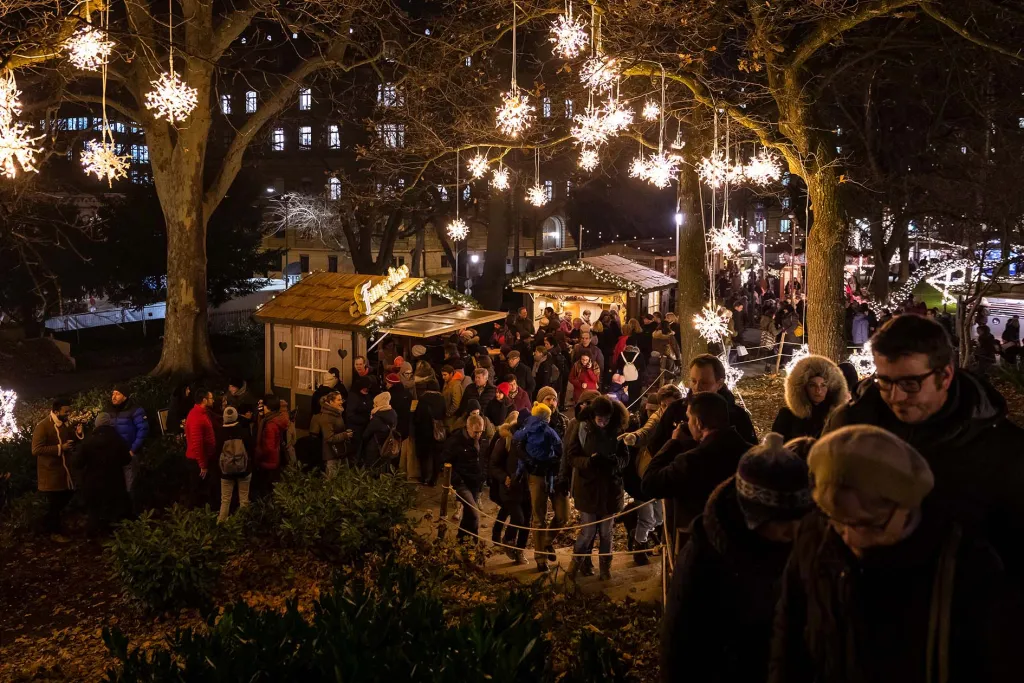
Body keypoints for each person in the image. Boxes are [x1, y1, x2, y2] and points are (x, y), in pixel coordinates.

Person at [769, 425, 1024, 683]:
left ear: (905, 505)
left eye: (868, 524)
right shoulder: (814, 532)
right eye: (837, 520)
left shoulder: (965, 567)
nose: (849, 537)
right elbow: (790, 627)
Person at [823, 314, 1024, 579]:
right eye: (885, 381)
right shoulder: (849, 426)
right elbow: (818, 521)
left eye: (910, 384)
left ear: (945, 376)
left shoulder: (1003, 450)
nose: (895, 398)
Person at [662, 433, 813, 683]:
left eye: (801, 518)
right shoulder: (704, 558)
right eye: (783, 522)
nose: (794, 529)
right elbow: (679, 649)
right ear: (753, 516)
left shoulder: (805, 540)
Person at [642, 391, 754, 549]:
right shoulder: (751, 455)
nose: (687, 423)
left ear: (699, 424)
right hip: (743, 546)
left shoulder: (692, 461)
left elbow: (649, 483)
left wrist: (673, 444)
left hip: (702, 548)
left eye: (689, 418)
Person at [566, 395, 629, 581]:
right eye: (600, 420)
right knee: (588, 532)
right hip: (588, 488)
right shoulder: (582, 428)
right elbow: (571, 456)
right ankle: (574, 566)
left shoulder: (618, 430)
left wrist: (614, 462)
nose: (603, 423)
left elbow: (625, 458)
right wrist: (588, 462)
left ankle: (605, 569)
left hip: (610, 488)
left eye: (606, 420)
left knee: (606, 532)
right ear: (593, 416)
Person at [70, 413, 132, 536]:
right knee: (113, 513)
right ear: (110, 423)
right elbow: (127, 460)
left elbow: (77, 463)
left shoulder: (89, 441)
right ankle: (114, 540)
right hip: (115, 482)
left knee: (94, 512)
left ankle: (93, 537)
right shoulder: (118, 439)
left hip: (93, 483)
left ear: (97, 424)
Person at [32, 398, 81, 541]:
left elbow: (69, 440)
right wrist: (60, 448)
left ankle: (47, 527)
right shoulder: (43, 426)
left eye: (69, 412)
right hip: (50, 473)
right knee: (55, 504)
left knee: (65, 497)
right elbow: (36, 449)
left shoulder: (64, 425)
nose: (68, 414)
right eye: (65, 412)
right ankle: (54, 532)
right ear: (55, 411)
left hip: (64, 472)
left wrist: (77, 434)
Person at [771, 355, 850, 441]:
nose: (818, 390)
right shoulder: (787, 415)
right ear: (803, 387)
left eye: (823, 385)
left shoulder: (837, 416)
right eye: (812, 385)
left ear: (830, 388)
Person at [489, 412, 531, 562]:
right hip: (510, 488)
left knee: (527, 522)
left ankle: (520, 550)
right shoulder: (505, 442)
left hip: (527, 489)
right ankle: (508, 539)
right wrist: (504, 477)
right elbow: (493, 464)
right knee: (518, 518)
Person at [443, 414, 490, 540]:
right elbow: (446, 463)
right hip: (462, 482)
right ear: (468, 428)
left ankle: (462, 538)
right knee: (474, 514)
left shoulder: (483, 439)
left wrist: (483, 475)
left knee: (469, 513)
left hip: (475, 481)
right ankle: (473, 542)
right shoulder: (455, 441)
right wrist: (456, 480)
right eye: (475, 432)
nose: (478, 435)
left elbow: (485, 459)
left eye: (481, 432)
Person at [102, 385, 149, 492]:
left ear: (125, 396)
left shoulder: (135, 410)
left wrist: (133, 449)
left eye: (117, 394)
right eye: (113, 394)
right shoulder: (109, 411)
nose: (113, 397)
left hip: (130, 453)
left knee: (131, 485)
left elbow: (143, 430)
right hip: (114, 454)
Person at [214, 406, 256, 522]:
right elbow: (251, 449)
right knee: (244, 499)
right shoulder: (243, 431)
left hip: (226, 472)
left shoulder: (220, 433)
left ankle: (221, 525)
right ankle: (244, 525)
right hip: (244, 469)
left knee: (225, 500)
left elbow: (216, 452)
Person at [185, 388, 217, 507]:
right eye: (211, 398)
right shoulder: (196, 416)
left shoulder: (202, 413)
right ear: (204, 400)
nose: (213, 400)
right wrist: (202, 465)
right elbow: (197, 443)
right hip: (197, 460)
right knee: (198, 490)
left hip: (204, 458)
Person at [413, 378, 447, 486]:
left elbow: (417, 417)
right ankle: (434, 479)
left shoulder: (423, 398)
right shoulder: (441, 398)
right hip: (437, 432)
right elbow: (443, 413)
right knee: (436, 456)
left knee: (424, 456)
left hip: (424, 431)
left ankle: (424, 477)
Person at [254, 393, 290, 498]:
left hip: (268, 462)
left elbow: (269, 447)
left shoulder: (270, 424)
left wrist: (258, 455)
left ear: (267, 407)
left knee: (266, 492)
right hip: (275, 461)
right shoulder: (276, 419)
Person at [309, 391, 352, 475]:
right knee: (332, 482)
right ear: (331, 402)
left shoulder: (337, 413)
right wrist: (345, 435)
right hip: (332, 454)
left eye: (341, 399)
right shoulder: (327, 417)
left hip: (340, 452)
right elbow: (329, 438)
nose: (341, 402)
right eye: (338, 400)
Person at [361, 391, 399, 468]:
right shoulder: (393, 413)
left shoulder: (377, 417)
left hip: (375, 448)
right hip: (388, 446)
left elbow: (366, 434)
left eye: (376, 403)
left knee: (373, 468)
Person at [385, 372, 413, 445]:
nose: (386, 384)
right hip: (406, 424)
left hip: (395, 425)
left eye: (387, 383)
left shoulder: (389, 395)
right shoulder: (407, 393)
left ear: (391, 384)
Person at [441, 364, 464, 429]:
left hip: (451, 418)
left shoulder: (455, 386)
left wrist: (448, 413)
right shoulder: (447, 382)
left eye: (445, 375)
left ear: (451, 374)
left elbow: (456, 404)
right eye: (442, 375)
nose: (443, 377)